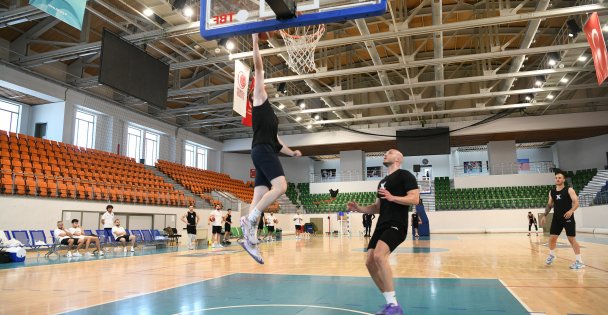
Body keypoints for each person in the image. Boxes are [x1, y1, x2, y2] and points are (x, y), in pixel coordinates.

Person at [238, 33, 303, 264]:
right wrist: (255, 42)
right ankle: (252, 219)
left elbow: (278, 141)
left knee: (258, 196)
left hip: (266, 149)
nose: (262, 84)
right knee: (281, 186)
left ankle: (249, 238)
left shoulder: (270, 114)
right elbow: (259, 67)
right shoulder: (259, 98)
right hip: (262, 150)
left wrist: (292, 152)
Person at [347, 149, 420, 315]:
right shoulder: (382, 182)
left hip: (397, 224)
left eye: (390, 152)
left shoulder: (405, 175)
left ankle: (394, 306)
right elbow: (376, 208)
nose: (386, 154)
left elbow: (415, 199)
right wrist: (359, 209)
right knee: (369, 262)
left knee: (379, 256)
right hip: (381, 225)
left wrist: (393, 197)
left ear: (399, 158)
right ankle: (390, 303)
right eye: (386, 152)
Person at [541, 171, 583, 269]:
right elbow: (549, 205)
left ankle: (579, 261)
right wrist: (544, 215)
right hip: (556, 218)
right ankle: (552, 255)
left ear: (563, 180)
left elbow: (576, 203)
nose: (557, 179)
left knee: (571, 239)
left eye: (559, 178)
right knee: (552, 239)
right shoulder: (552, 192)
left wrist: (571, 211)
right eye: (556, 178)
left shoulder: (569, 190)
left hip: (567, 218)